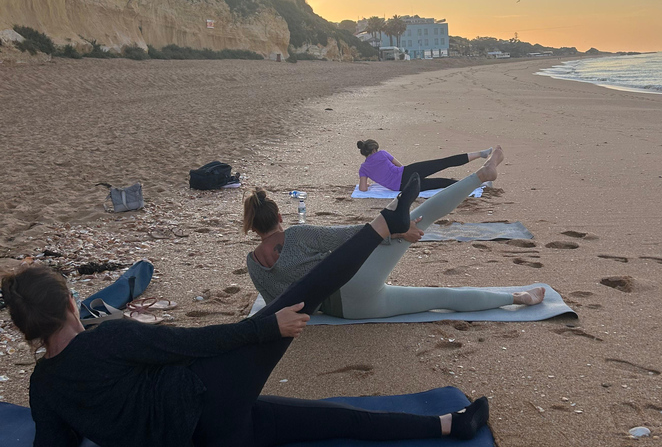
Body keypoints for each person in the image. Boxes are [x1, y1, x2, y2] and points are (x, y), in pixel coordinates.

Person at [1, 174, 490, 447]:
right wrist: (266, 329)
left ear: (29, 330)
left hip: (210, 438)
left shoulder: (42, 386)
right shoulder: (108, 338)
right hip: (210, 396)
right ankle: (386, 224)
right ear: (71, 302)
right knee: (302, 297)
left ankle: (451, 426)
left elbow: (54, 446)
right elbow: (196, 343)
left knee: (327, 422)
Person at [247, 146, 546, 319]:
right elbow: (353, 236)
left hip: (347, 311)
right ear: (279, 215)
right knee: (420, 216)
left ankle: (518, 297)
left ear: (254, 226)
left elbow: (276, 306)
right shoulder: (297, 236)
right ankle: (481, 175)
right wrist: (397, 234)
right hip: (351, 281)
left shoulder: (252, 263)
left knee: (438, 298)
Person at [357, 138, 493, 192]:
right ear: (374, 149)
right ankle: (480, 154)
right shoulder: (382, 154)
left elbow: (363, 189)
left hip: (402, 187)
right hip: (408, 172)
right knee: (443, 163)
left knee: (442, 183)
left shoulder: (363, 169)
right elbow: (400, 166)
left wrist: (370, 183)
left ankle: (479, 185)